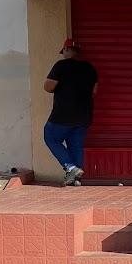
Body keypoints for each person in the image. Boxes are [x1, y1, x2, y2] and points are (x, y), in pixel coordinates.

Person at [43, 38, 98, 185]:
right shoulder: (90, 68)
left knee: (50, 137)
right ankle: (76, 179)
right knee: (76, 145)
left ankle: (70, 167)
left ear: (66, 50)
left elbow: (48, 87)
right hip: (84, 115)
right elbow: (94, 91)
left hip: (63, 115)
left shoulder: (61, 65)